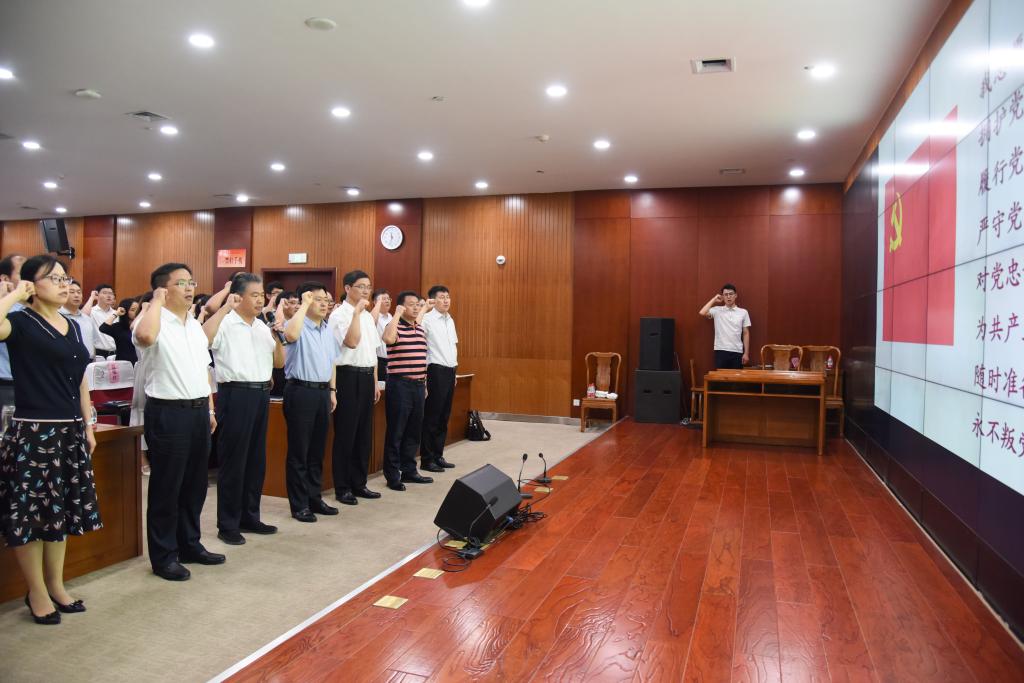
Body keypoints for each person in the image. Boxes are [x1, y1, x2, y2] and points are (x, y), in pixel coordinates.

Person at [0, 255, 99, 624]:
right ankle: (36, 592)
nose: (63, 284)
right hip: (34, 431)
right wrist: (15, 294)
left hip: (69, 430)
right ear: (32, 285)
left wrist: (88, 424)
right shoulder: (20, 322)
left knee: (59, 513)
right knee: (31, 517)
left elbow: (81, 379)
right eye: (53, 278)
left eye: (65, 278)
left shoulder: (71, 325)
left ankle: (56, 585)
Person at [133, 263, 224, 581]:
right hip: (168, 412)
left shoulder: (193, 326)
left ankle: (189, 545)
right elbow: (145, 337)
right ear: (162, 289)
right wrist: (155, 302)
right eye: (181, 283)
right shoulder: (151, 320)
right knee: (167, 487)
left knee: (195, 485)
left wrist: (209, 410)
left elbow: (203, 370)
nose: (189, 288)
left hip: (198, 412)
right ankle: (163, 556)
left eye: (191, 282)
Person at [203, 273, 285, 544]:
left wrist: (277, 336)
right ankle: (228, 524)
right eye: (254, 295)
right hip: (235, 394)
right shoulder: (226, 323)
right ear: (238, 297)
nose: (260, 300)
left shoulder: (262, 326)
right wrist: (223, 308)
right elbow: (204, 341)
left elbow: (279, 363)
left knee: (255, 460)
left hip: (261, 394)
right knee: (234, 460)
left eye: (262, 295)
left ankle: (250, 516)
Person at [282, 282, 338, 522]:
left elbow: (332, 361)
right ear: (306, 300)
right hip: (300, 391)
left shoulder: (327, 329)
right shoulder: (296, 324)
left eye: (326, 300)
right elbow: (290, 335)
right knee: (300, 451)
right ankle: (299, 505)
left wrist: (332, 390)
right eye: (318, 299)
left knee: (317, 450)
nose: (324, 304)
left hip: (322, 393)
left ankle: (315, 498)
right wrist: (303, 306)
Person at [327, 270, 382, 506]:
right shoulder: (339, 315)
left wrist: (375, 382)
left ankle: (359, 483)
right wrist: (356, 313)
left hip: (367, 376)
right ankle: (342, 488)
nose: (366, 291)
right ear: (348, 288)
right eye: (361, 286)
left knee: (363, 434)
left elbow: (372, 352)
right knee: (346, 434)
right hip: (347, 377)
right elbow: (351, 342)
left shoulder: (368, 316)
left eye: (368, 287)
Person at [381, 291, 433, 491]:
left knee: (413, 431)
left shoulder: (419, 328)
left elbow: (421, 359)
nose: (416, 308)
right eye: (411, 304)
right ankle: (392, 475)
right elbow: (387, 339)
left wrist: (424, 383)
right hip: (400, 385)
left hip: (418, 385)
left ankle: (409, 470)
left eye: (418, 305)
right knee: (396, 432)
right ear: (401, 307)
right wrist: (396, 314)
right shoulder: (394, 326)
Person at [420, 285, 459, 472]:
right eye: (442, 297)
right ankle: (427, 459)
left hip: (450, 370)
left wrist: (455, 371)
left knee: (444, 416)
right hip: (435, 370)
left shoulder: (450, 320)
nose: (446, 300)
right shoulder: (427, 319)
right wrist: (424, 376)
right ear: (433, 300)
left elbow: (453, 347)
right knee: (432, 417)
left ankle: (438, 455)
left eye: (448, 297)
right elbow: (421, 347)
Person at [699, 283, 751, 369]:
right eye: (725, 294)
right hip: (721, 350)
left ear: (736, 295)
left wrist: (746, 353)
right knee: (721, 377)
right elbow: (702, 312)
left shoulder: (743, 312)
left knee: (736, 377)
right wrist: (714, 299)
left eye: (731, 294)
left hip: (737, 351)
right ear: (722, 297)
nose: (728, 297)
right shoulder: (717, 310)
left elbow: (746, 333)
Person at [0, 254, 27, 409]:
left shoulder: (31, 307)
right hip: (5, 383)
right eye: (23, 273)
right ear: (5, 279)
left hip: (29, 384)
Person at [59, 280, 99, 359]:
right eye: (72, 292)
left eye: (79, 292)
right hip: (67, 361)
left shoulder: (88, 319)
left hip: (89, 361)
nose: (76, 295)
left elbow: (93, 342)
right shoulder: (57, 317)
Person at [98, 297, 140, 364]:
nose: (137, 312)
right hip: (123, 364)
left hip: (140, 363)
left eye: (138, 309)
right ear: (125, 311)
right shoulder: (119, 327)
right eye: (133, 310)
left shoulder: (141, 326)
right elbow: (103, 328)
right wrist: (116, 313)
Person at [88, 284, 117, 356]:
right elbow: (82, 316)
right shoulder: (91, 312)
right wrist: (92, 298)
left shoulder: (116, 313)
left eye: (111, 293)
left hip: (115, 353)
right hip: (99, 353)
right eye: (105, 293)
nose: (109, 296)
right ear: (97, 295)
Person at [372, 289, 392, 379]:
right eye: (383, 299)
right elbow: (372, 324)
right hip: (379, 360)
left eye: (388, 298)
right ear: (375, 302)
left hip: (392, 360)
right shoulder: (372, 317)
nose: (387, 301)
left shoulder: (391, 317)